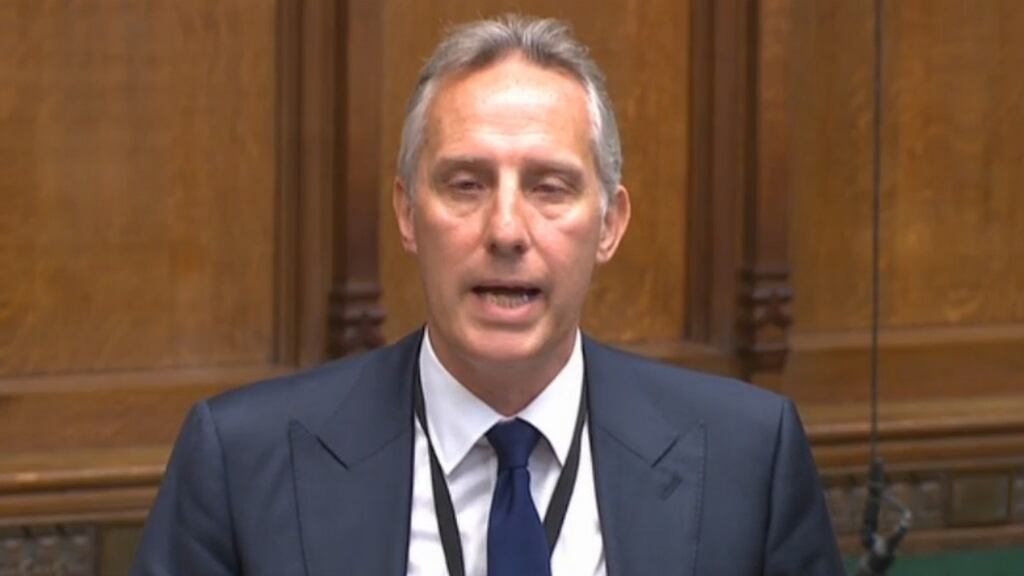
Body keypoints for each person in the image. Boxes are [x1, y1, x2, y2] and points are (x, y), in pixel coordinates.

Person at [132, 15, 844, 576]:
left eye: (550, 187)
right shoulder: (244, 463)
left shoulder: (747, 458)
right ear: (409, 214)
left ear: (610, 224)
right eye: (466, 184)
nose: (506, 230)